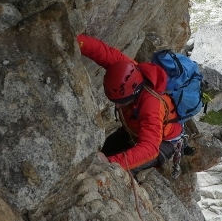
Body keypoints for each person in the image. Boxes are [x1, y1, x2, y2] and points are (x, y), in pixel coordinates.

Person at [77, 34, 184, 173]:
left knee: (119, 171)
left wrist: (110, 162)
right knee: (104, 151)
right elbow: (102, 52)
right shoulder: (130, 71)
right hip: (134, 130)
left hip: (164, 142)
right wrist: (76, 41)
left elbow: (150, 148)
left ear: (134, 94)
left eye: (121, 102)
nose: (116, 106)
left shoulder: (152, 105)